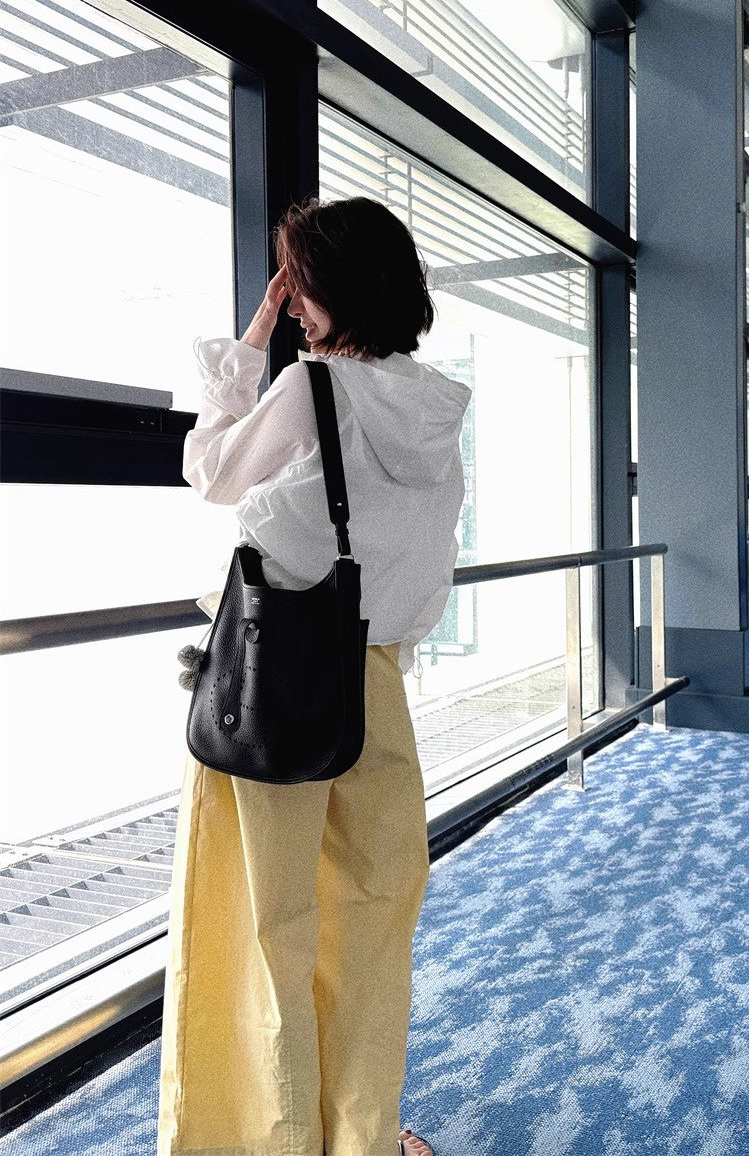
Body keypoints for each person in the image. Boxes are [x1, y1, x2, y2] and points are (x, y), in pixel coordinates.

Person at [157, 196, 471, 1156]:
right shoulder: (436, 410)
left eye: (299, 286)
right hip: (376, 682)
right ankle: (362, 1136)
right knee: (369, 921)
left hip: (275, 679)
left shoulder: (312, 389)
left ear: (341, 288)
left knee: (264, 925)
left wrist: (249, 342)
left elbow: (209, 470)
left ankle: (267, 1139)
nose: (291, 304)